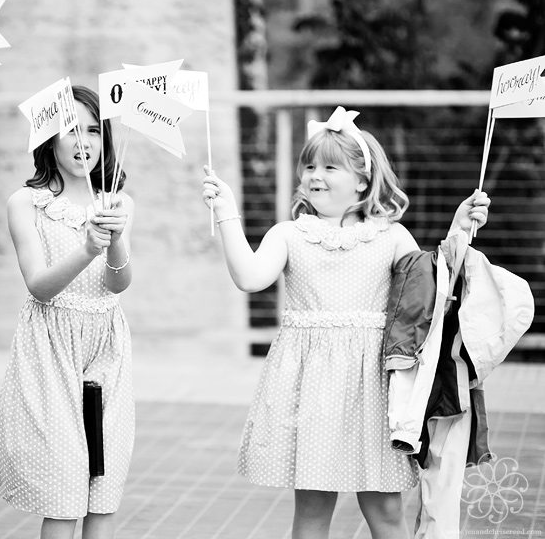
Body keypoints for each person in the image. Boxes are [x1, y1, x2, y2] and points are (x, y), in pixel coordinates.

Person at [200, 107, 490, 539]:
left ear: (362, 180)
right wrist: (226, 212)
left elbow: (431, 283)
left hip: (372, 389)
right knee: (313, 511)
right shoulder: (289, 234)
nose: (315, 174)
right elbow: (250, 276)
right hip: (311, 391)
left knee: (386, 510)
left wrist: (459, 228)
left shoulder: (389, 236)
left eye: (330, 166)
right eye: (310, 165)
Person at [0, 85, 134, 539]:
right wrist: (87, 249)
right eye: (71, 130)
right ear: (48, 138)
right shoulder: (26, 203)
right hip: (51, 346)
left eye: (93, 130)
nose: (83, 142)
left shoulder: (116, 202)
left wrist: (113, 243)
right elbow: (40, 286)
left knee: (102, 483)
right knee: (63, 487)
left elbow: (119, 283)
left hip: (106, 345)